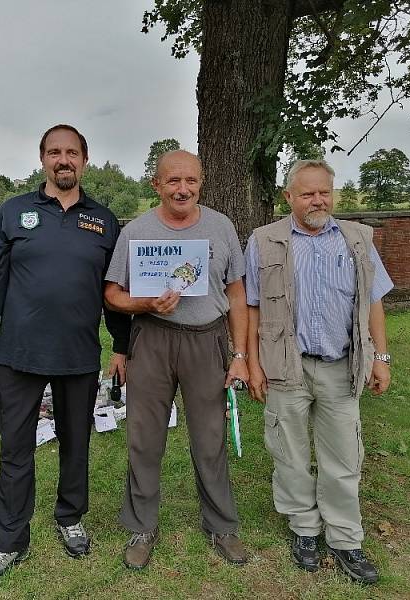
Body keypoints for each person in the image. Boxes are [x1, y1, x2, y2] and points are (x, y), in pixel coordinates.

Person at [0, 124, 130, 587]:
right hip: (17, 356)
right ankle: (10, 539)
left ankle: (69, 517)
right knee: (16, 449)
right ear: (43, 158)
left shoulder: (103, 220)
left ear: (84, 159)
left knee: (75, 442)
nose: (64, 159)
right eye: (55, 152)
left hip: (78, 355)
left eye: (72, 152)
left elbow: (113, 291)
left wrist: (121, 346)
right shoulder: (13, 213)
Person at [245, 159, 393, 584]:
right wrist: (253, 363)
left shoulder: (357, 239)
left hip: (341, 367)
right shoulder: (263, 240)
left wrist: (381, 358)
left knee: (344, 456)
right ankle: (304, 529)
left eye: (323, 192)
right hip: (284, 366)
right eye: (307, 193)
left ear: (333, 193)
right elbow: (252, 306)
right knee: (288, 453)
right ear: (288, 197)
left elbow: (374, 301)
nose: (317, 200)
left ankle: (346, 538)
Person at [104, 150, 250, 569]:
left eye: (190, 181)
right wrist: (146, 302)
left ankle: (221, 525)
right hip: (152, 339)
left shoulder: (221, 227)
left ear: (201, 182)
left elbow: (237, 294)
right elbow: (112, 293)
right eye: (172, 182)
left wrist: (238, 354)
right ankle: (142, 525)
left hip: (207, 341)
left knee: (210, 436)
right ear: (156, 185)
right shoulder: (136, 231)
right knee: (144, 436)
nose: (182, 189)